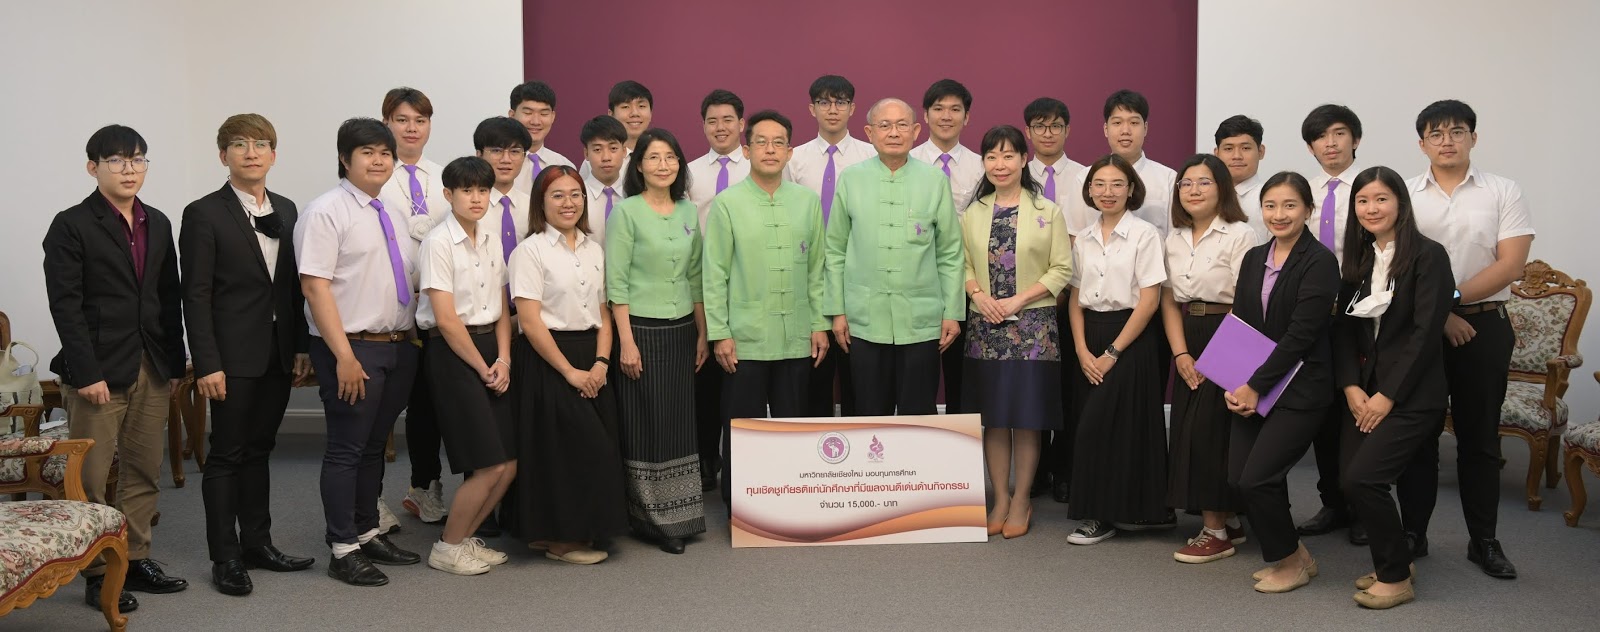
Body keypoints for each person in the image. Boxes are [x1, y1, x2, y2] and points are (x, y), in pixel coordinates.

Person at [44, 124, 189, 612]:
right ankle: (97, 572)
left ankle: (137, 557)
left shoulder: (158, 222)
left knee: (144, 470)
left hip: (151, 364)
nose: (129, 169)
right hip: (98, 372)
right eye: (117, 161)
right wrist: (86, 373)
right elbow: (66, 305)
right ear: (93, 168)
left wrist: (174, 361)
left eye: (138, 159)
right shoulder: (71, 224)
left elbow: (168, 297)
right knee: (90, 479)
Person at [180, 114, 315, 597]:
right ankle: (226, 557)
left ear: (273, 155)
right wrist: (207, 363)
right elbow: (195, 295)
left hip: (278, 352)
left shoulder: (288, 208)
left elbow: (294, 287)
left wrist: (300, 346)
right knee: (226, 455)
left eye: (260, 144)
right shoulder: (203, 213)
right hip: (230, 356)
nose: (251, 152)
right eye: (239, 144)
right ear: (224, 156)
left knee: (260, 450)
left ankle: (258, 543)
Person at [1404, 100, 1533, 578]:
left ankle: (1484, 541)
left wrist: (1449, 302)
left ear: (1473, 138)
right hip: (1420, 330)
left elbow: (1511, 264)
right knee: (1418, 437)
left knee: (1479, 441)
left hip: (1484, 326)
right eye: (1435, 134)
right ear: (1422, 144)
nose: (1447, 141)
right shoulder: (1405, 194)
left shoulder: (1503, 190)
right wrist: (1440, 317)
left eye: (1457, 132)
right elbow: (1396, 264)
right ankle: (1412, 534)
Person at [294, 118, 423, 587]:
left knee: (373, 445)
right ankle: (343, 547)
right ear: (344, 159)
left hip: (397, 345)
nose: (378, 160)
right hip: (352, 349)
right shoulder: (325, 211)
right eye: (367, 152)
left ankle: (368, 532)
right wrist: (344, 356)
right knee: (346, 448)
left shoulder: (390, 211)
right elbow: (315, 287)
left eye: (385, 153)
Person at [1333, 165, 1454, 609]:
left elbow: (1425, 336)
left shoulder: (1429, 256)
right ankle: (1398, 558)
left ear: (1400, 203)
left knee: (1365, 479)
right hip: (1365, 392)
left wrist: (1388, 396)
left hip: (1412, 394)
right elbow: (1344, 331)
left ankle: (1395, 576)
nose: (1371, 208)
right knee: (1351, 479)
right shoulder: (1359, 260)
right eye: (1363, 200)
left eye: (1381, 198)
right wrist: (1350, 386)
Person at [703, 109, 828, 507]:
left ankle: (792, 503)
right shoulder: (728, 204)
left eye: (778, 143)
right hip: (745, 337)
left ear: (790, 152)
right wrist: (720, 332)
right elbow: (714, 274)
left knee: (794, 425)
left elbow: (817, 269)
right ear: (746, 149)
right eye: (761, 142)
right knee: (743, 427)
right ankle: (741, 509)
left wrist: (819, 323)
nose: (770, 150)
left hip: (796, 335)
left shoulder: (807, 202)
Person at [509, 164, 630, 565]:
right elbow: (529, 322)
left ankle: (566, 532)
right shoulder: (530, 251)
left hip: (592, 356)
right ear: (540, 203)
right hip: (549, 358)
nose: (568, 203)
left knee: (593, 446)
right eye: (557, 195)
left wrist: (601, 363)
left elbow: (604, 313)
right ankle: (561, 541)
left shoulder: (594, 249)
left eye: (575, 194)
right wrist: (568, 371)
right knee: (561, 451)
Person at [1225, 171, 1340, 593]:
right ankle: (1297, 553)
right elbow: (1241, 323)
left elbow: (1300, 335)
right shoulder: (1255, 257)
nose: (1279, 214)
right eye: (1270, 206)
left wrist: (1254, 385)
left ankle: (1290, 563)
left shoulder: (1320, 261)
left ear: (1308, 210)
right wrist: (1234, 381)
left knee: (1258, 478)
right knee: (1239, 477)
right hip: (1253, 384)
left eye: (1290, 205)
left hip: (1301, 388)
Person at [958, 125, 1072, 539]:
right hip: (985, 324)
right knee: (993, 419)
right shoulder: (973, 212)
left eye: (1008, 155)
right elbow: (961, 264)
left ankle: (1022, 499)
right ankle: (1000, 499)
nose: (1000, 164)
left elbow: (1062, 268)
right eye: (992, 156)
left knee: (1026, 418)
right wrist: (978, 295)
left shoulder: (1047, 210)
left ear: (1024, 160)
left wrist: (1018, 300)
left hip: (1033, 327)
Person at [824, 98, 963, 416]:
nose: (894, 132)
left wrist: (952, 312)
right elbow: (835, 250)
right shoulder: (851, 179)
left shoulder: (934, 181)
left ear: (915, 131)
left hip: (921, 320)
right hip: (863, 319)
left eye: (902, 125)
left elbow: (950, 253)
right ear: (869, 132)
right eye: (884, 125)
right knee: (870, 411)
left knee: (919, 412)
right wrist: (837, 312)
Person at [606, 127, 708, 554]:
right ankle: (649, 519)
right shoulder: (625, 213)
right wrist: (626, 343)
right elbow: (616, 284)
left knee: (679, 423)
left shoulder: (688, 211)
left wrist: (703, 333)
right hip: (641, 333)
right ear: (639, 166)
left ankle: (682, 514)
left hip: (682, 331)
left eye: (670, 157)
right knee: (645, 424)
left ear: (679, 164)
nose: (663, 165)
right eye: (653, 157)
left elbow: (696, 276)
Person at [415, 156, 518, 575]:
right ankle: (447, 547)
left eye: (483, 190)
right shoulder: (438, 242)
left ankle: (465, 539)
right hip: (452, 353)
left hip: (492, 348)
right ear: (448, 194)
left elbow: (502, 307)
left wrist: (504, 359)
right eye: (467, 190)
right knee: (488, 463)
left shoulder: (490, 238)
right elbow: (445, 319)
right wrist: (482, 366)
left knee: (508, 463)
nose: (476, 198)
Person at [1062, 154, 1168, 546]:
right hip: (1088, 335)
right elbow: (1075, 299)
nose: (1108, 192)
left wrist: (1112, 352)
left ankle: (1102, 515)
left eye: (1117, 184)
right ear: (1089, 190)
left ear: (1131, 189)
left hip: (1130, 336)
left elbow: (1150, 301)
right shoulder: (1084, 238)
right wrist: (1081, 349)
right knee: (1088, 424)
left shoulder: (1145, 235)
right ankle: (1110, 511)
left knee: (1116, 426)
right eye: (1100, 184)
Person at [1160, 154, 1255, 563]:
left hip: (1231, 331)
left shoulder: (1240, 234)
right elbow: (1168, 300)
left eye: (1204, 182)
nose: (1193, 190)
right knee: (1190, 428)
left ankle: (1215, 532)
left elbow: (1248, 301)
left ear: (1222, 188)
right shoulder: (1174, 238)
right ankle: (1228, 520)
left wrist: (1218, 357)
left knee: (1214, 433)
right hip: (1189, 333)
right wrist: (1181, 352)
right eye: (1186, 183)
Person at [1296, 104, 1366, 543]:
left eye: (1339, 133)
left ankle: (1362, 506)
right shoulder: (1303, 192)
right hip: (1313, 316)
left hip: (1360, 313)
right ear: (1311, 147)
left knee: (1355, 412)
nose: (1331, 143)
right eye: (1321, 137)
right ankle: (1333, 503)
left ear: (1355, 139)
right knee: (1322, 413)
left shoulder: (1373, 188)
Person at [379, 87, 448, 530]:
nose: (411, 128)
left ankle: (424, 486)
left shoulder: (443, 178)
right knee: (383, 407)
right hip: (389, 309)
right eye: (402, 120)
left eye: (420, 120)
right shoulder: (375, 176)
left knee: (429, 403)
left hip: (435, 309)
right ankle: (369, 498)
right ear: (387, 122)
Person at [787, 75, 873, 417]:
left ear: (853, 108)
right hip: (808, 275)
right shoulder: (794, 159)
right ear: (812, 109)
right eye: (824, 102)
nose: (832, 109)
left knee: (858, 377)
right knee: (814, 373)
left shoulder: (870, 155)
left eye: (840, 102)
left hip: (858, 274)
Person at [1023, 96, 1086, 504]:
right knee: (1032, 387)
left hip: (1073, 298)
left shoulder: (1087, 177)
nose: (1048, 133)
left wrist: (1062, 290)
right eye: (1040, 126)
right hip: (1026, 302)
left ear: (1067, 130)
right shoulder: (1013, 173)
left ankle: (1064, 468)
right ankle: (1037, 469)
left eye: (1056, 125)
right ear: (1028, 131)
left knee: (1067, 388)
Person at [687, 88, 748, 492]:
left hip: (748, 286)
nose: (720, 127)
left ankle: (746, 466)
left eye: (728, 119)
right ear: (704, 125)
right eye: (712, 121)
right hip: (704, 286)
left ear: (741, 124)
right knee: (705, 382)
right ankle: (708, 459)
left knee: (742, 381)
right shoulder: (689, 173)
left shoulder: (761, 166)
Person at [911, 79, 981, 418]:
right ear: (925, 115)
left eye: (955, 109)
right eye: (938, 109)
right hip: (917, 278)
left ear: (966, 117)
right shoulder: (906, 162)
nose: (946, 116)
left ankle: (959, 443)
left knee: (961, 375)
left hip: (966, 278)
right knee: (917, 372)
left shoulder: (982, 166)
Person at [1063, 90, 1177, 237]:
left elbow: (1176, 237)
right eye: (1117, 123)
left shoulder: (1168, 179)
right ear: (1106, 129)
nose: (1125, 130)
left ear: (1145, 128)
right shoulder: (1084, 178)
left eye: (1134, 123)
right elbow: (1073, 235)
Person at [508, 80, 576, 194]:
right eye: (528, 113)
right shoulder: (500, 164)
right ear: (512, 115)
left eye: (544, 114)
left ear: (553, 117)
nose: (536, 121)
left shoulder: (564, 165)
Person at [1213, 115, 1271, 244]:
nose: (1237, 156)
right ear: (1216, 154)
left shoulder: (1270, 198)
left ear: (1261, 152)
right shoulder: (1206, 197)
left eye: (1245, 148)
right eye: (1228, 149)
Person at [579, 80, 652, 180]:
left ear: (651, 112)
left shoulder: (663, 152)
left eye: (641, 106)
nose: (635, 113)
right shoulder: (594, 162)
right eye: (625, 107)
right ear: (611, 114)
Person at [579, 115, 629, 246]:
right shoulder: (576, 198)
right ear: (586, 154)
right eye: (597, 149)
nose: (606, 157)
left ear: (624, 151)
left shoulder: (634, 195)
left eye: (613, 149)